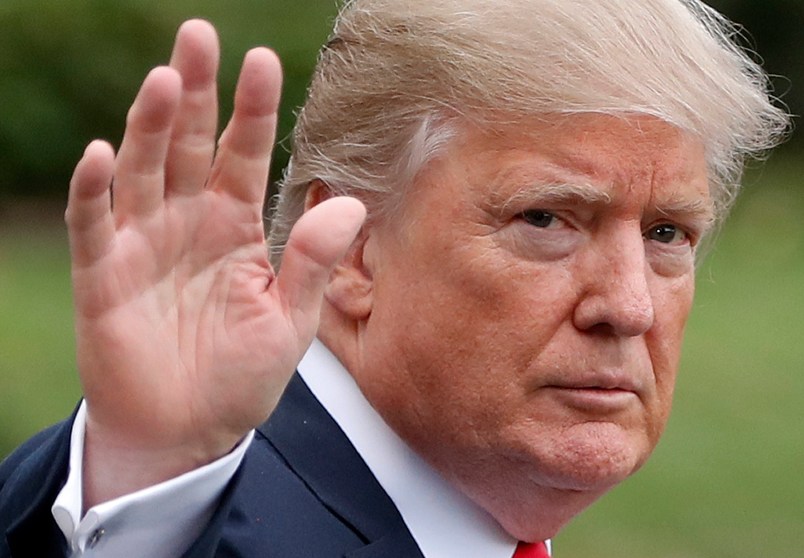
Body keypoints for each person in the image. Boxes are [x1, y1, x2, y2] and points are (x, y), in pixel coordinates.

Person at [0, 1, 788, 556]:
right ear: (351, 248)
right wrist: (144, 478)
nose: (629, 304)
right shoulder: (205, 514)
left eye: (665, 233)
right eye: (546, 219)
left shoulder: (475, 522)